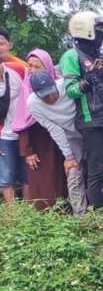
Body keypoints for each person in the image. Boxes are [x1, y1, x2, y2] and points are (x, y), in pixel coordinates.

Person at [59, 11, 103, 210]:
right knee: (96, 169)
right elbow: (70, 91)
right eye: (98, 30)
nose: (101, 35)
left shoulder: (100, 56)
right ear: (87, 31)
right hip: (91, 121)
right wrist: (86, 80)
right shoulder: (71, 56)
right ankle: (98, 214)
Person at [10, 49, 68, 210]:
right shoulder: (26, 89)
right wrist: (28, 151)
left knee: (63, 180)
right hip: (38, 147)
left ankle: (65, 218)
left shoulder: (58, 86)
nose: (34, 71)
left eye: (38, 67)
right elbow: (22, 123)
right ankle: (45, 221)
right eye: (30, 67)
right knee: (44, 184)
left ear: (48, 68)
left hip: (60, 144)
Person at [25, 71, 87, 214]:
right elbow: (54, 129)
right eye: (45, 96)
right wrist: (69, 156)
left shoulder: (66, 86)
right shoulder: (33, 103)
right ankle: (81, 216)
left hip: (89, 129)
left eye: (52, 92)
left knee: (101, 166)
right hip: (70, 135)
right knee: (73, 171)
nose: (51, 98)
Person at [0, 52, 25, 204]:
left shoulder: (18, 70)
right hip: (4, 135)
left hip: (24, 131)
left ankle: (30, 210)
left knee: (27, 175)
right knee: (6, 177)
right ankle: (13, 215)